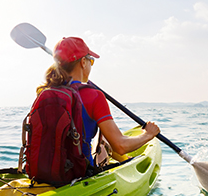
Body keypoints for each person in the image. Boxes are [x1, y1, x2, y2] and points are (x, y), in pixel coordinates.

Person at [38, 36, 160, 166]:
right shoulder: (93, 95)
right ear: (83, 62)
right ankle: (126, 160)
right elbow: (120, 146)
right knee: (105, 143)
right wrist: (148, 134)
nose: (91, 65)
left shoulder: (46, 93)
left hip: (43, 172)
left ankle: (124, 159)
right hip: (78, 174)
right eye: (91, 61)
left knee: (103, 141)